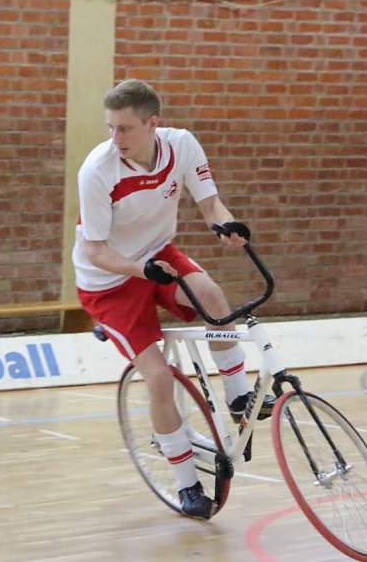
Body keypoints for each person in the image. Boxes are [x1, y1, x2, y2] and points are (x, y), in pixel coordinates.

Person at [72, 79, 275, 520]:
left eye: (124, 129)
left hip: (159, 254)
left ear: (153, 124)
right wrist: (139, 270)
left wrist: (227, 226)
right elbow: (94, 250)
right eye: (110, 128)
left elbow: (211, 206)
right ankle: (187, 485)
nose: (115, 139)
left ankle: (240, 399)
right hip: (109, 279)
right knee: (159, 378)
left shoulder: (182, 146)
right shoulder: (98, 170)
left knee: (213, 296)